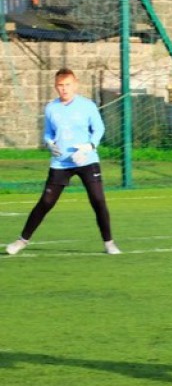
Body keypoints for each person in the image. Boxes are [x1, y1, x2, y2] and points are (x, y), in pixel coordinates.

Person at [5, 68, 120, 256]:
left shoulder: (87, 105)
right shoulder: (51, 108)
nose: (64, 89)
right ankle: (21, 241)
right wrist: (50, 144)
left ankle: (109, 243)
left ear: (75, 85)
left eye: (68, 85)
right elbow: (48, 133)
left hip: (86, 160)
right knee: (46, 202)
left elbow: (99, 129)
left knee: (98, 200)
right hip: (61, 163)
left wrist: (89, 147)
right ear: (55, 86)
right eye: (60, 85)